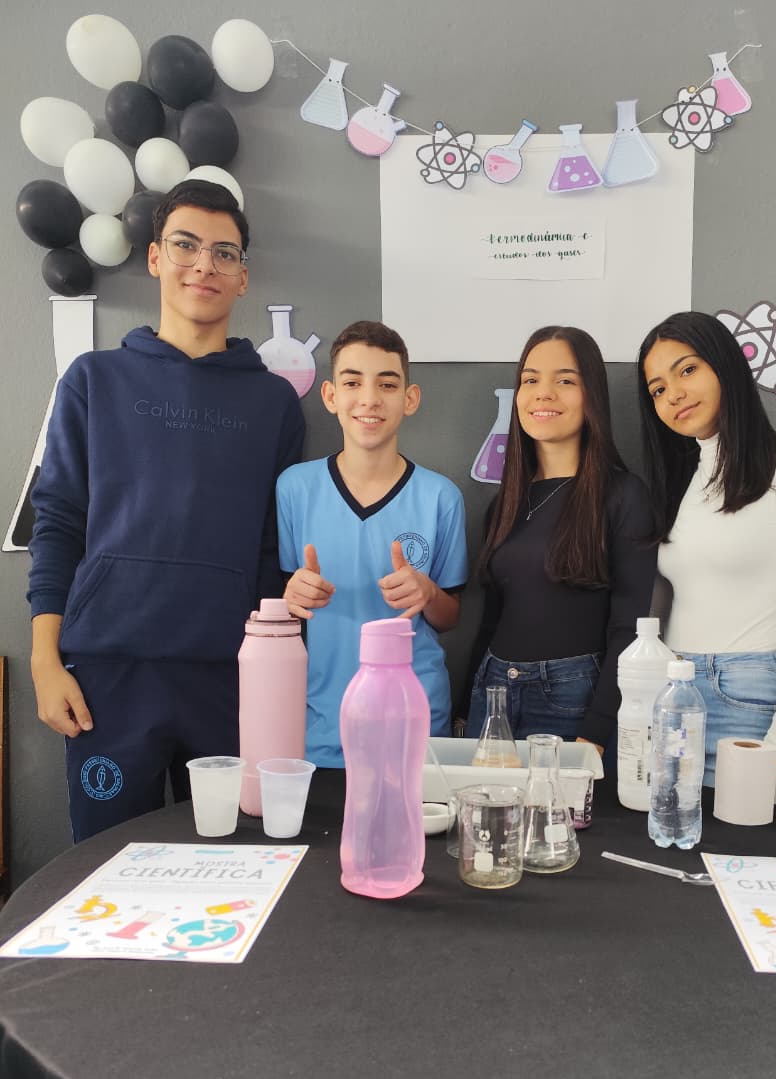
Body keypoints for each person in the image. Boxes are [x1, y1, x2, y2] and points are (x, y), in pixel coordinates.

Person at [28, 179, 306, 841]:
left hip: (232, 680)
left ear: (243, 277)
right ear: (155, 257)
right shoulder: (92, 380)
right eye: (185, 245)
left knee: (237, 871)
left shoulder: (274, 404)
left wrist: (275, 675)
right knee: (108, 870)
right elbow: (58, 522)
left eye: (224, 253)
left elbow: (274, 551)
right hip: (108, 677)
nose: (204, 265)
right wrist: (44, 659)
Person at [638, 310, 776, 788]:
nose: (674, 395)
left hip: (751, 700)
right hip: (674, 696)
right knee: (670, 832)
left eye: (687, 370)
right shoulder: (684, 481)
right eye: (658, 389)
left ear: (726, 366)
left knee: (748, 838)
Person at [278, 320, 468, 766]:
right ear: (330, 396)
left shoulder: (440, 497)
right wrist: (291, 597)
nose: (369, 398)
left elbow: (451, 616)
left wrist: (428, 593)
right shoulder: (295, 489)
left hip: (415, 721)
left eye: (387, 384)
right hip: (322, 722)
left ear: (410, 398)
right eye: (352, 382)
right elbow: (284, 609)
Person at [464, 325, 656, 751]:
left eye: (565, 380)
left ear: (592, 395)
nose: (543, 393)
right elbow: (491, 618)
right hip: (491, 695)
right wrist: (465, 705)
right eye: (530, 380)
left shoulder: (622, 495)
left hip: (572, 699)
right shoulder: (504, 504)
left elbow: (630, 627)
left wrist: (598, 727)